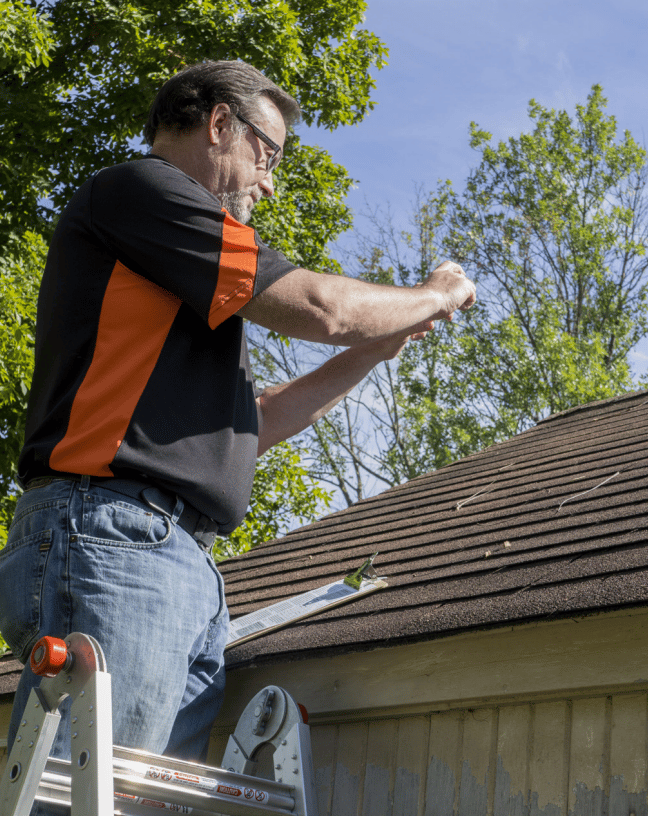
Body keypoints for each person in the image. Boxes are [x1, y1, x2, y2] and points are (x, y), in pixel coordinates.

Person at [0, 59, 475, 803]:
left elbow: (251, 427)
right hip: (113, 535)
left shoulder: (177, 277)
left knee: (135, 803)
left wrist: (374, 349)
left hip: (171, 557)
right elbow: (322, 307)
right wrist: (429, 296)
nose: (270, 181)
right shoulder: (140, 192)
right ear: (220, 123)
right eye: (268, 153)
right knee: (92, 802)